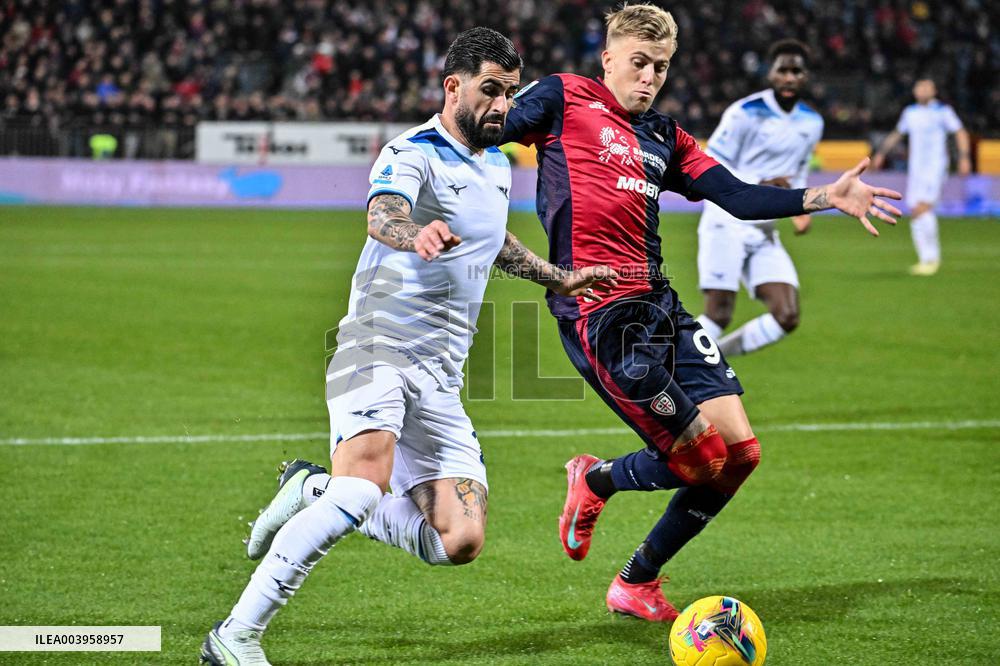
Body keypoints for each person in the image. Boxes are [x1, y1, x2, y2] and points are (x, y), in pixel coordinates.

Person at [200, 28, 616, 666]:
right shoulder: (413, 150)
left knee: (461, 538)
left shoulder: (498, 164)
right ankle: (236, 636)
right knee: (365, 488)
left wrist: (558, 277)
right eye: (490, 90)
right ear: (453, 87)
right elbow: (383, 213)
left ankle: (313, 490)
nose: (503, 105)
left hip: (441, 376)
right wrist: (414, 232)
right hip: (377, 345)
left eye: (510, 92)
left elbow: (493, 242)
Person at [498, 3, 901, 622]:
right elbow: (483, 128)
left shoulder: (667, 136)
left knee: (739, 455)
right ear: (608, 58)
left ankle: (636, 582)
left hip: (661, 306)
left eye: (660, 67)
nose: (650, 77)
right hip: (602, 316)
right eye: (638, 63)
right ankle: (596, 479)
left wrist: (824, 196)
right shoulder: (562, 97)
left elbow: (736, 197)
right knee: (698, 458)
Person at [694, 39, 823, 357]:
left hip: (764, 229)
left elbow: (799, 170)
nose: (790, 78)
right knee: (718, 314)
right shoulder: (745, 113)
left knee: (787, 315)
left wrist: (802, 206)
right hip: (727, 221)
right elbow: (712, 163)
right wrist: (759, 183)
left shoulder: (812, 121)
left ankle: (713, 360)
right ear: (771, 73)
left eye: (797, 71)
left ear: (806, 76)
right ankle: (660, 367)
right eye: (783, 70)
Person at [872, 78, 971, 276]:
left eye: (927, 87)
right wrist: (881, 153)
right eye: (919, 87)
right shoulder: (910, 112)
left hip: (935, 168)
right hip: (916, 170)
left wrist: (964, 157)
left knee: (922, 208)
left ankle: (931, 259)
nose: (922, 90)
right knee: (915, 211)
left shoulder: (943, 111)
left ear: (934, 91)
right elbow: (897, 134)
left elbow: (960, 132)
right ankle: (926, 259)